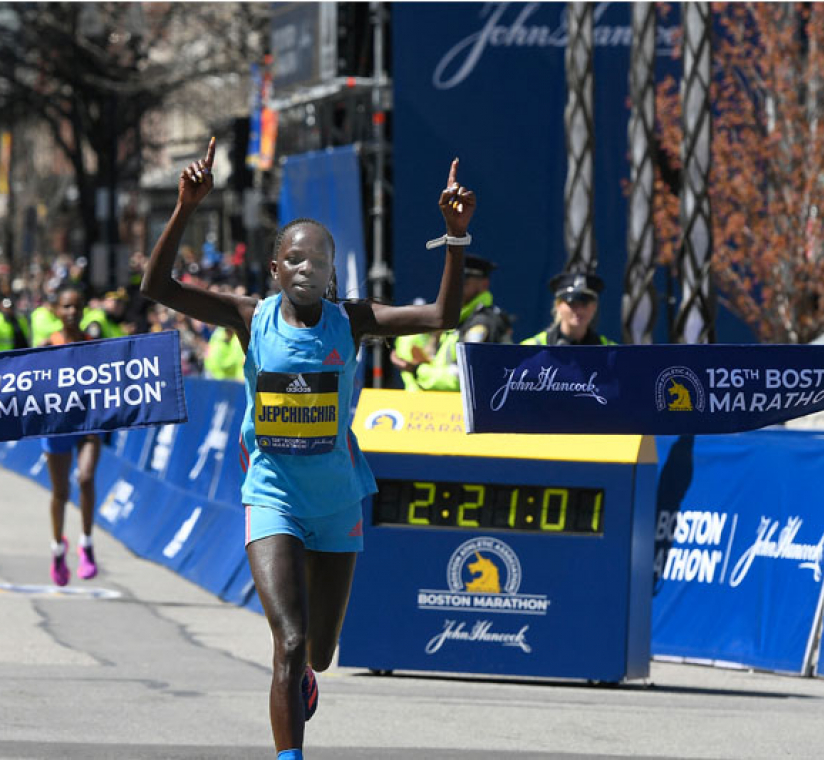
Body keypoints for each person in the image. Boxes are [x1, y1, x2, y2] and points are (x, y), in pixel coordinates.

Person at [141, 137, 472, 760]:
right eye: (293, 259)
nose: (305, 269)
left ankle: (306, 678)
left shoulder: (353, 319)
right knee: (288, 644)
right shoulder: (250, 317)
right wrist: (187, 205)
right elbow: (157, 286)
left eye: (318, 261)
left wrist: (455, 236)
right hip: (271, 498)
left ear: (332, 271)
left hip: (337, 501)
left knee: (319, 651)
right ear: (275, 269)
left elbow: (441, 317)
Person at [36, 284, 102, 586]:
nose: (72, 312)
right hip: (58, 424)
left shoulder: (94, 345)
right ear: (56, 310)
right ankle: (57, 549)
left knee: (86, 479)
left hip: (87, 423)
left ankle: (86, 544)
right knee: (60, 492)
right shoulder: (47, 346)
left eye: (77, 306)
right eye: (66, 307)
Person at [394, 253, 514, 391]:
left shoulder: (482, 322)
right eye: (454, 280)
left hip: (467, 410)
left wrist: (417, 370)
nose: (456, 286)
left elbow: (465, 377)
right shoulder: (460, 318)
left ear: (484, 284)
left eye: (464, 281)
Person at [521, 270, 616, 346]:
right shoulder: (531, 349)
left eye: (584, 304)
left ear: (594, 307)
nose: (579, 310)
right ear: (558, 306)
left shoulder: (611, 352)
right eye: (572, 304)